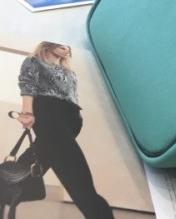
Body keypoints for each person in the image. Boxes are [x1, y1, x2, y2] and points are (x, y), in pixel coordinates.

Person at [16, 41, 114, 219]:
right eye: (62, 45)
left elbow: (71, 95)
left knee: (37, 156)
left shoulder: (69, 72)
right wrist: (27, 112)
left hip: (70, 120)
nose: (67, 48)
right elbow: (27, 84)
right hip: (49, 114)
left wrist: (77, 117)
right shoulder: (35, 61)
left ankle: (6, 188)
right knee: (78, 176)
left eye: (69, 46)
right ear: (48, 44)